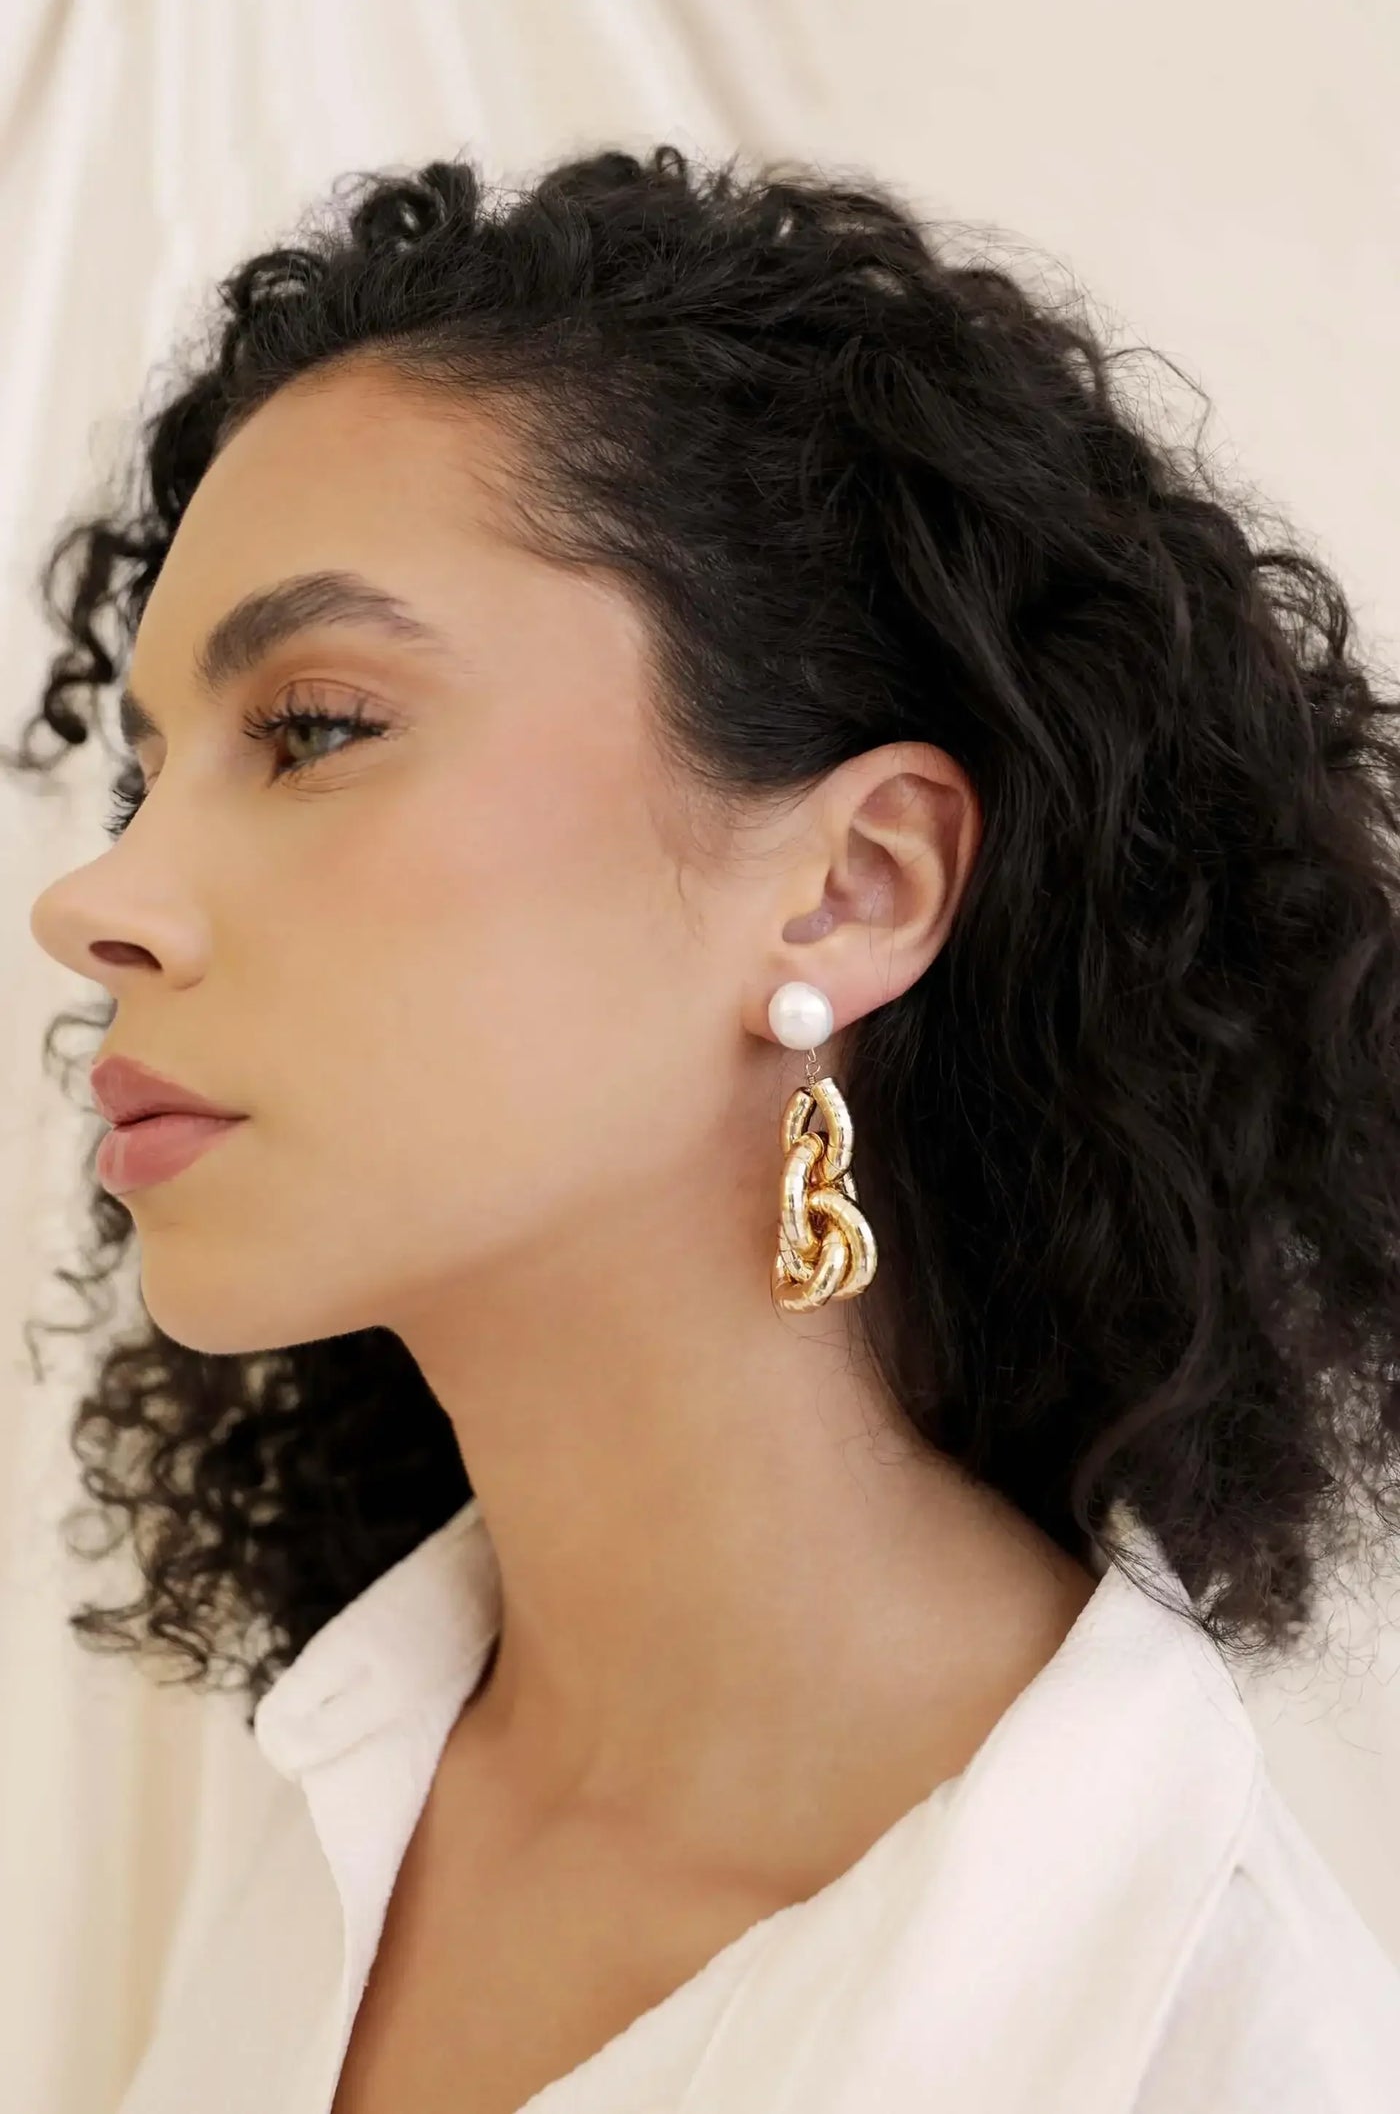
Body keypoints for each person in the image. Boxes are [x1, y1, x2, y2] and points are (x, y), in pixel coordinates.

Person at [11, 142, 1400, 2112]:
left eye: (313, 728)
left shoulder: (1183, 2032)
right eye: (146, 773)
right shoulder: (336, 1774)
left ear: (850, 885)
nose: (98, 900)